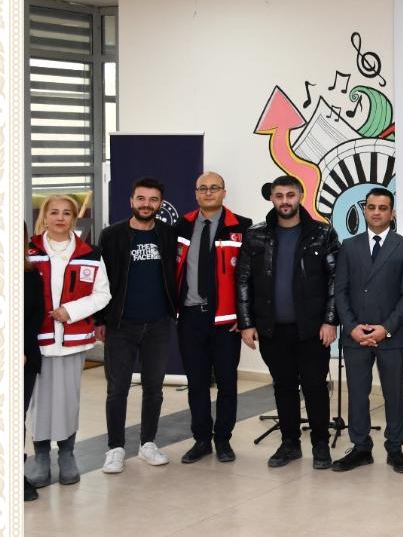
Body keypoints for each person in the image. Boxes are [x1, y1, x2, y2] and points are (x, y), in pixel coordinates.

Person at [236, 175, 340, 470]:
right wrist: (246, 323)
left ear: (300, 196)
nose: (285, 201)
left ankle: (320, 444)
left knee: (315, 387)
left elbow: (335, 280)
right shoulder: (255, 235)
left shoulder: (322, 233)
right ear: (271, 198)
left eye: (290, 195)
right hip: (272, 328)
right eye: (279, 195)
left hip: (312, 329)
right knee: (283, 387)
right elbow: (243, 280)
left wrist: (330, 320)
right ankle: (290, 443)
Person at [25, 196, 110, 489]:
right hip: (36, 341)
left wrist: (70, 311)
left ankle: (67, 454)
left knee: (68, 398)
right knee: (38, 401)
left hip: (73, 339)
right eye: (54, 212)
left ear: (74, 218)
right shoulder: (28, 250)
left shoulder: (90, 253)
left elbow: (102, 294)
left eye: (66, 213)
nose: (60, 218)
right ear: (44, 217)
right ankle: (40, 456)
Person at [332, 187, 403, 473]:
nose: (377, 212)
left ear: (392, 213)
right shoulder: (349, 245)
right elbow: (340, 291)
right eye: (371, 207)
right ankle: (360, 448)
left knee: (394, 395)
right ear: (364, 210)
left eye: (383, 208)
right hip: (355, 335)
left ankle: (395, 449)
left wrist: (386, 328)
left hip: (391, 335)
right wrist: (351, 327)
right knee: (358, 394)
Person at [97, 177, 180, 474]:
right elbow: (101, 280)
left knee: (154, 388)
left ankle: (148, 443)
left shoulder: (168, 234)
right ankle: (115, 448)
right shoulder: (112, 235)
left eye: (153, 200)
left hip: (158, 324)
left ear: (160, 204)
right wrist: (100, 320)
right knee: (117, 389)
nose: (147, 204)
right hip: (121, 325)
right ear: (131, 200)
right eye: (141, 198)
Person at [175, 171, 251, 465]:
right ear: (196, 193)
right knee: (196, 383)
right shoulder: (181, 225)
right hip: (190, 318)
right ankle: (202, 439)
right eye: (202, 188)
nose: (208, 193)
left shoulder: (242, 226)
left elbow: (250, 277)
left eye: (214, 188)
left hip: (227, 322)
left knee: (227, 383)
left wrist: (245, 317)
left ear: (224, 192)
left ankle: (223, 439)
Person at [24, 231, 45, 501]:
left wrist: (21, 349)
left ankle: (14, 472)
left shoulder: (30, 275)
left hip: (24, 356)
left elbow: (35, 315)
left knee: (15, 418)